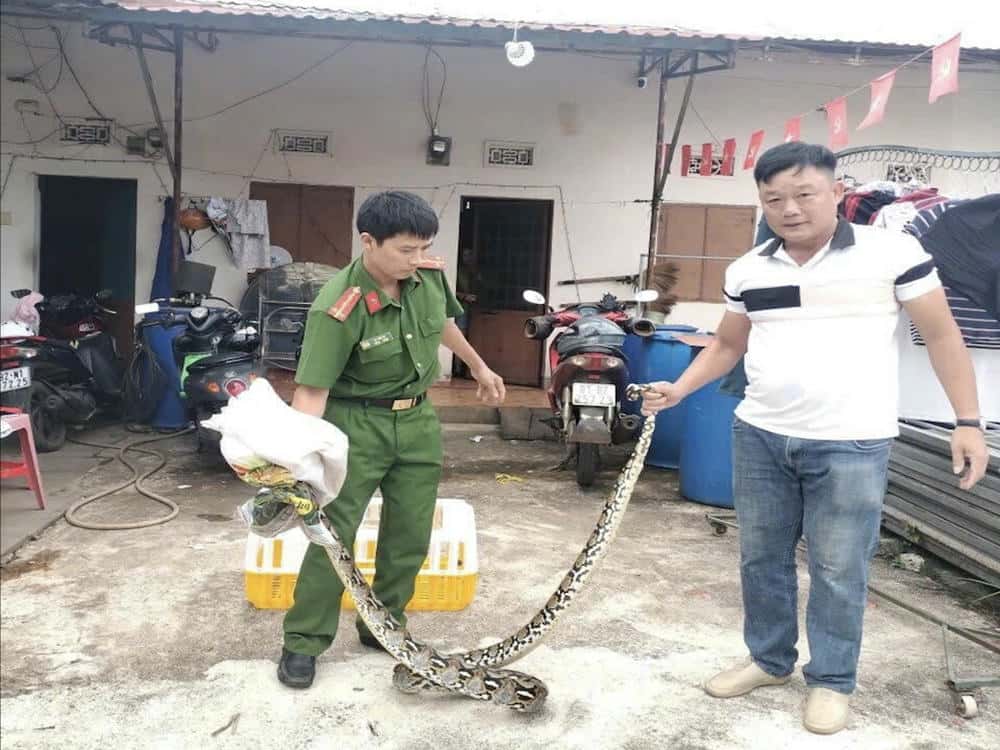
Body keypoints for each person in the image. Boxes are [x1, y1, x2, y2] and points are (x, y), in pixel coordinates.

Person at [641, 142, 988, 735]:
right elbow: (728, 345)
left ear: (834, 191)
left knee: (837, 566)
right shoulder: (748, 269)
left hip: (851, 441)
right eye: (774, 198)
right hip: (761, 435)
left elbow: (942, 334)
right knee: (761, 558)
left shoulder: (893, 252)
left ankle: (831, 681)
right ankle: (770, 660)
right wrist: (679, 389)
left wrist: (968, 421)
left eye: (804, 194)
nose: (790, 208)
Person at [278, 190, 506, 688]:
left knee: (409, 536)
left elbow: (442, 325)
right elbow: (312, 389)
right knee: (333, 537)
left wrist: (478, 365)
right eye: (406, 250)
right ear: (369, 241)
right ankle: (303, 642)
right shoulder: (337, 306)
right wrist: (296, 461)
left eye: (423, 248)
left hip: (419, 422)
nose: (417, 260)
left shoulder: (426, 276)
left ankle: (383, 626)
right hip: (355, 425)